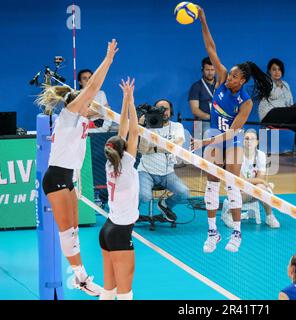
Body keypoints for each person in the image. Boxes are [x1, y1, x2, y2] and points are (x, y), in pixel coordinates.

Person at [36, 38, 119, 296]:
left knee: (73, 230)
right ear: (77, 102)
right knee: (66, 231)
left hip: (67, 178)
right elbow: (93, 86)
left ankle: (79, 275)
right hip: (55, 177)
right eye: (87, 101)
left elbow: (104, 112)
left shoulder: (83, 118)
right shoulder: (70, 113)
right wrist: (108, 60)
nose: (90, 103)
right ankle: (80, 277)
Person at [191, 6, 273, 253]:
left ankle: (237, 234)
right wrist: (203, 20)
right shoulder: (222, 77)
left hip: (231, 140)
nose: (229, 78)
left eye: (234, 76)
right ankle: (213, 232)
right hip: (215, 138)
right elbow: (210, 48)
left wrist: (202, 144)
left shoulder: (246, 102)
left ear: (243, 81)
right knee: (212, 183)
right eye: (230, 74)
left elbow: (233, 132)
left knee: (232, 183)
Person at [99, 77, 139, 300]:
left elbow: (123, 130)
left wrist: (126, 99)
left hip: (107, 230)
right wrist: (130, 100)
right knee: (124, 294)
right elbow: (133, 130)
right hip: (121, 233)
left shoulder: (109, 163)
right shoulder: (125, 162)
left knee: (109, 291)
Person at [137, 99, 189, 221]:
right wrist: (142, 127)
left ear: (171, 111)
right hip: (146, 171)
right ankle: (132, 212)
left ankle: (165, 205)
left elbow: (177, 146)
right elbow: (143, 150)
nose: (163, 112)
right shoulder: (148, 126)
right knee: (144, 196)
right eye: (159, 109)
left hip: (168, 173)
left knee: (184, 193)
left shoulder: (177, 127)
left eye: (166, 109)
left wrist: (154, 148)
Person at [258, 58, 296, 169]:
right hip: (269, 114)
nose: (277, 72)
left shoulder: (286, 85)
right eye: (274, 69)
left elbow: (289, 101)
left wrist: (291, 108)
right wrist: (278, 86)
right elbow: (273, 95)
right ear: (269, 71)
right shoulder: (266, 83)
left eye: (279, 69)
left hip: (282, 115)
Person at [221, 129, 280, 228]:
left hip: (253, 189)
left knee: (261, 188)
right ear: (242, 141)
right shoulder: (236, 154)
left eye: (252, 139)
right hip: (236, 188)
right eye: (246, 138)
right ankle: (229, 213)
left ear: (257, 142)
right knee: (261, 186)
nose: (249, 141)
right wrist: (260, 181)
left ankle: (269, 216)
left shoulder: (261, 155)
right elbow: (240, 180)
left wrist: (260, 182)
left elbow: (260, 177)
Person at [188, 57, 216, 139]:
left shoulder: (221, 86)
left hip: (218, 122)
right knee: (198, 150)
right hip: (200, 123)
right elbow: (195, 110)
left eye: (212, 70)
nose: (210, 73)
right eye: (207, 70)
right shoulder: (196, 86)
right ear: (202, 70)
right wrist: (210, 117)